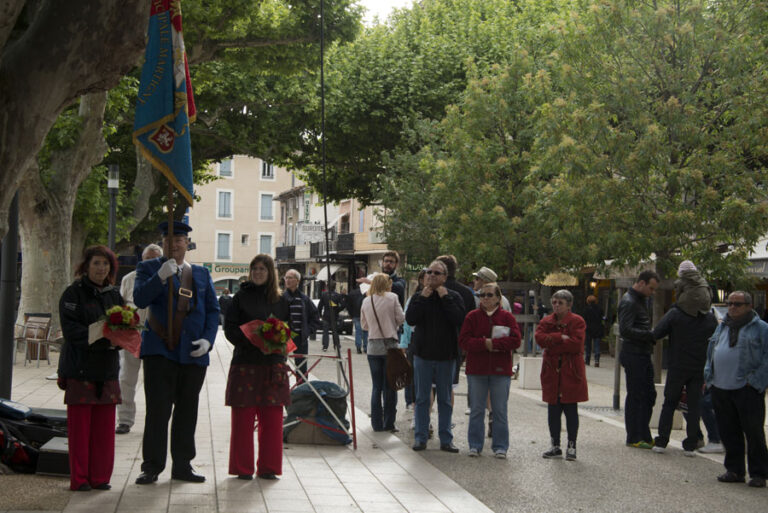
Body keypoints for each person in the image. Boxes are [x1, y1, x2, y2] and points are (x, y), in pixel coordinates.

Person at [133, 221, 219, 485]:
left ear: (186, 244)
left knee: (187, 411)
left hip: (192, 355)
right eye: (168, 240)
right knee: (158, 412)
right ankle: (152, 466)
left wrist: (207, 340)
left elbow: (213, 311)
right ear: (162, 244)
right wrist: (159, 276)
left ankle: (182, 464)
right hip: (160, 352)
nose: (174, 244)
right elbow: (139, 299)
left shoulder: (201, 274)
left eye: (179, 240)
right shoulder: (147, 267)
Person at [58, 245, 123, 491]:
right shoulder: (72, 294)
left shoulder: (114, 295)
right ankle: (80, 479)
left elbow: (124, 326)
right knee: (80, 432)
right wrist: (99, 333)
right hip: (80, 369)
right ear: (86, 266)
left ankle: (100, 477)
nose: (101, 268)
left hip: (107, 370)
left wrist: (120, 338)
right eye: (96, 263)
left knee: (105, 432)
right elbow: (71, 330)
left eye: (105, 264)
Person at [224, 254, 291, 480]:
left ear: (270, 272)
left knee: (272, 420)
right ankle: (242, 468)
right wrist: (253, 341)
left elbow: (290, 330)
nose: (258, 272)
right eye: (254, 269)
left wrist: (277, 342)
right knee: (243, 420)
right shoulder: (240, 297)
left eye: (263, 269)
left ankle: (269, 467)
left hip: (273, 366)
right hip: (245, 363)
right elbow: (230, 329)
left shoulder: (282, 301)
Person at [704, 291, 768, 488]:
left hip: (746, 388)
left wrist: (756, 380)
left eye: (737, 304)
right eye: (730, 303)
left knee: (753, 431)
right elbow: (711, 351)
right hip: (721, 386)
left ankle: (758, 473)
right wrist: (708, 376)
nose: (732, 307)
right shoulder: (722, 326)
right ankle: (734, 470)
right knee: (728, 430)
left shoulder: (761, 328)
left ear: (749, 306)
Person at [406, 259, 465, 453]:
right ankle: (421, 437)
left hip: (446, 356)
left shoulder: (454, 296)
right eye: (429, 272)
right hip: (422, 355)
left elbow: (458, 319)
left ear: (445, 278)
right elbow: (411, 318)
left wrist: (445, 297)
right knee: (422, 399)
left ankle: (446, 439)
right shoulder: (418, 296)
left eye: (436, 273)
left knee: (445, 400)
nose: (431, 275)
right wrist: (422, 297)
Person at [459, 282, 521, 458]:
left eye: (489, 295)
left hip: (500, 371)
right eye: (481, 295)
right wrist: (483, 344)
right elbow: (464, 340)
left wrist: (493, 344)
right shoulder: (472, 317)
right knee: (477, 409)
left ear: (498, 298)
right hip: (476, 370)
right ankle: (475, 445)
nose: (485, 298)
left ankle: (500, 446)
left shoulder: (507, 318)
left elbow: (515, 340)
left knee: (499, 409)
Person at [651, 296, 717, 455]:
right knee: (694, 405)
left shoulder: (676, 313)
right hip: (698, 366)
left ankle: (662, 440)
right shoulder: (709, 317)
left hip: (678, 364)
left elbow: (657, 332)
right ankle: (691, 444)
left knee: (669, 403)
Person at [115, 243, 162, 435]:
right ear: (142, 259)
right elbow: (119, 306)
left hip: (157, 336)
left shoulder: (166, 280)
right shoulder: (128, 280)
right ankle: (125, 420)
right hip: (131, 336)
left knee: (156, 381)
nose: (151, 261)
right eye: (148, 258)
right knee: (126, 379)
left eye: (155, 258)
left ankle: (157, 420)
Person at [536, 290, 588, 461]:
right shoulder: (546, 320)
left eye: (560, 303)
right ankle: (555, 445)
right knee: (553, 410)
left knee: (571, 410)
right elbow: (539, 339)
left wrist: (552, 343)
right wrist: (560, 337)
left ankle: (571, 446)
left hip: (570, 371)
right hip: (552, 371)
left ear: (569, 305)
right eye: (555, 302)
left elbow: (576, 345)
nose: (556, 306)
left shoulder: (577, 321)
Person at [618, 270, 660, 449]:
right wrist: (649, 335)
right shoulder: (629, 301)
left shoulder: (639, 300)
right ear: (641, 283)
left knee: (648, 394)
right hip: (634, 353)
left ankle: (643, 433)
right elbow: (625, 330)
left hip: (641, 352)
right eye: (651, 288)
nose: (652, 292)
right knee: (637, 394)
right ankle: (635, 435)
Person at [360, 273, 405, 432]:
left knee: (376, 387)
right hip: (390, 346)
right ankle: (389, 423)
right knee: (391, 386)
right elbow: (401, 318)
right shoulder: (392, 297)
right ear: (387, 284)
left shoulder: (366, 300)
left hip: (373, 347)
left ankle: (376, 424)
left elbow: (364, 326)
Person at [282, 269, 321, 383]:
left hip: (300, 338)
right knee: (280, 365)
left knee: (302, 368)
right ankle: (282, 393)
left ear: (297, 281)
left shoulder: (304, 299)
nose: (287, 280)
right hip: (284, 338)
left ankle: (302, 393)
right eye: (286, 278)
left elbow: (315, 317)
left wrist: (308, 330)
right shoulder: (281, 298)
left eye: (290, 278)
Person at [400, 269, 426, 411]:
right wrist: (404, 343)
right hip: (412, 340)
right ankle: (410, 400)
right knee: (410, 373)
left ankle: (418, 400)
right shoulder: (413, 298)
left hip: (424, 340)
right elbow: (406, 323)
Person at [318, 280, 345, 352]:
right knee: (335, 331)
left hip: (326, 315)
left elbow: (320, 306)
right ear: (335, 287)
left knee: (325, 332)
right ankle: (336, 345)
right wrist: (337, 309)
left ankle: (325, 346)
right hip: (334, 315)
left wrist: (320, 314)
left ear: (327, 286)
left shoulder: (324, 295)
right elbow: (343, 305)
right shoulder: (338, 295)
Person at [583, 295, 603, 367]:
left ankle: (587, 360)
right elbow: (602, 318)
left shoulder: (586, 309)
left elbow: (584, 319)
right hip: (597, 328)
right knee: (597, 345)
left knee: (588, 345)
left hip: (588, 329)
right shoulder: (599, 309)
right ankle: (597, 360)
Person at [347, 285, 368, 354]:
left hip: (356, 315)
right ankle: (366, 347)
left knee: (358, 331)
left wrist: (351, 315)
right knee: (366, 331)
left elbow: (349, 305)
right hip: (365, 315)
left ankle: (358, 347)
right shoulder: (366, 293)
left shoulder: (352, 293)